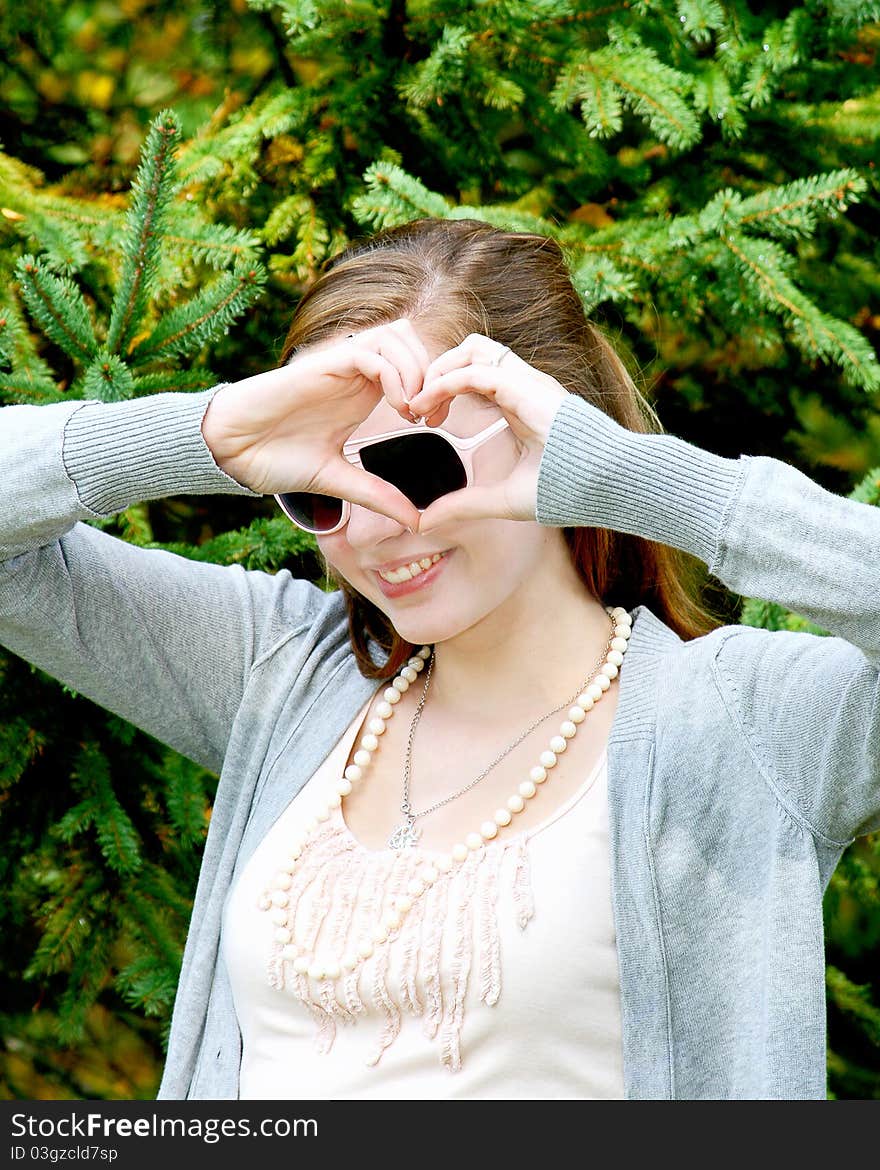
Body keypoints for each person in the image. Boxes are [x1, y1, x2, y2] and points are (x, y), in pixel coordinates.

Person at [0, 216, 877, 1101]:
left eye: (416, 464)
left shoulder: (746, 724)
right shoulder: (278, 674)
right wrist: (208, 432)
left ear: (554, 435)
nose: (375, 526)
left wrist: (635, 477)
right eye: (323, 488)